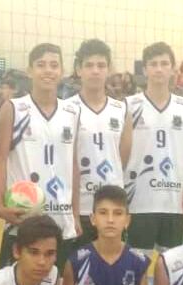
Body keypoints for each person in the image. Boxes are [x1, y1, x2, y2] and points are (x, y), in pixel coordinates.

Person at [126, 42, 183, 256]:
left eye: (164, 63)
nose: (159, 68)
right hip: (140, 203)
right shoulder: (130, 105)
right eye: (153, 64)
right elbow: (120, 153)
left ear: (172, 68)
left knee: (170, 270)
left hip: (173, 203)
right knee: (140, 271)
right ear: (144, 69)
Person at [0, 43, 81, 271]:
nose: (48, 71)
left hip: (61, 220)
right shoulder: (13, 109)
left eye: (54, 65)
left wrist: (76, 214)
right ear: (30, 70)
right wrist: (0, 206)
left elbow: (73, 165)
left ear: (61, 71)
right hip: (24, 219)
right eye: (41, 65)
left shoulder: (72, 112)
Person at [66, 39, 130, 247]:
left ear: (109, 69)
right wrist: (73, 211)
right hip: (81, 208)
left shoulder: (121, 110)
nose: (95, 71)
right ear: (78, 69)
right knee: (76, 275)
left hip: (112, 209)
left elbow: (123, 156)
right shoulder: (66, 109)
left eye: (101, 66)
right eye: (89, 65)